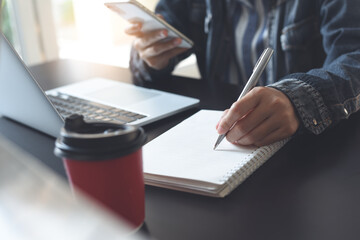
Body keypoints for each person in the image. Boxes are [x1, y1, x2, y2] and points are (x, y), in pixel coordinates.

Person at [125, 0, 360, 147]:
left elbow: (354, 57)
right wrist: (149, 55)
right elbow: (164, 33)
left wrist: (297, 99)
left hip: (312, 156)